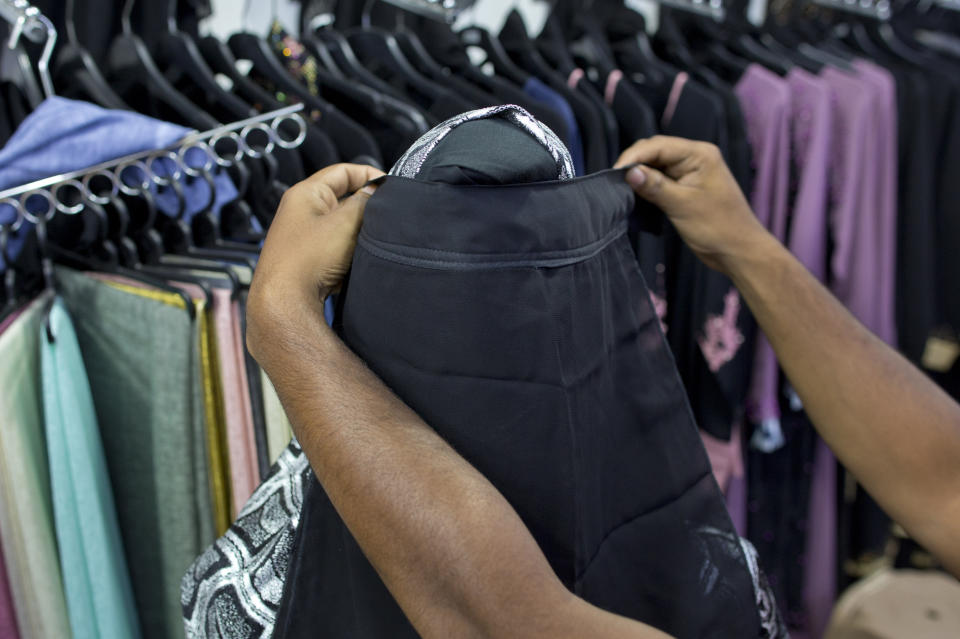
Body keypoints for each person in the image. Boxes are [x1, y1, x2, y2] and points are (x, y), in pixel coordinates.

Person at [245, 136, 960, 639]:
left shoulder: (258, 583)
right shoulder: (717, 576)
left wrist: (283, 323)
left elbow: (510, 626)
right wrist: (745, 247)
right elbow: (946, 479)